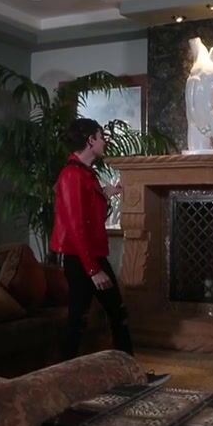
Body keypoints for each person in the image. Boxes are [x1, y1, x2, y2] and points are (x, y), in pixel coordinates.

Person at [50, 118, 169, 385]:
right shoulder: (71, 175)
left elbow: (88, 213)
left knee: (112, 313)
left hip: (91, 256)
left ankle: (129, 376)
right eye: (101, 136)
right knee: (83, 318)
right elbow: (76, 226)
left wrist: (107, 193)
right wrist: (93, 270)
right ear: (90, 140)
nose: (105, 140)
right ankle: (59, 381)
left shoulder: (85, 174)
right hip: (81, 259)